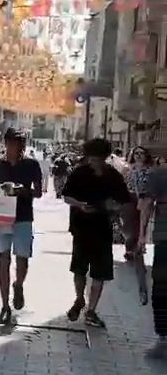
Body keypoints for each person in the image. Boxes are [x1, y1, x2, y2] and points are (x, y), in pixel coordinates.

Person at [63, 137, 132, 328]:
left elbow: (123, 201)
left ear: (105, 157)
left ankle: (91, 310)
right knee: (79, 268)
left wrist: (113, 207)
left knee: (100, 272)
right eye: (92, 159)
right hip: (81, 227)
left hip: (102, 228)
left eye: (99, 159)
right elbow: (66, 196)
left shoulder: (113, 176)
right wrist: (80, 205)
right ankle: (79, 299)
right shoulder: (79, 173)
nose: (95, 163)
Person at [0, 129, 43, 325]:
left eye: (19, 143)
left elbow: (39, 192)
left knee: (22, 259)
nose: (16, 147)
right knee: (3, 259)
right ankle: (4, 305)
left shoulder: (31, 164)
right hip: (2, 216)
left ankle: (18, 285)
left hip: (23, 217)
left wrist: (23, 190)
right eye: (12, 143)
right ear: (6, 144)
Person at [139, 162, 167, 352]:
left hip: (164, 237)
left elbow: (147, 205)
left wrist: (142, 235)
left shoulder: (159, 174)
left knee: (162, 286)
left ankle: (163, 337)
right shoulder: (159, 174)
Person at [125, 146, 153, 303]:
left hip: (145, 199)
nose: (139, 155)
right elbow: (123, 186)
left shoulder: (150, 171)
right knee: (129, 226)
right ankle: (131, 246)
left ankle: (139, 245)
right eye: (136, 153)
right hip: (130, 199)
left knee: (143, 223)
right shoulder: (128, 170)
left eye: (142, 153)